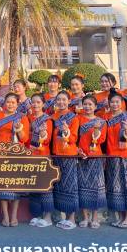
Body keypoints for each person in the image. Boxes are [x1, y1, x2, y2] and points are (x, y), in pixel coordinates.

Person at [0, 92, 30, 227]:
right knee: (3, 186)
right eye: (8, 102)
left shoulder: (22, 118)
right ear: (4, 103)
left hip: (16, 155)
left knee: (15, 186)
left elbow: (25, 139)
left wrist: (19, 129)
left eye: (13, 102)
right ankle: (5, 216)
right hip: (1, 154)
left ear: (17, 104)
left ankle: (14, 215)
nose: (10, 104)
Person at [105, 92, 127, 228]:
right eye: (112, 102)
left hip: (126, 155)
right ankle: (119, 216)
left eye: (117, 102)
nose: (114, 104)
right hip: (112, 156)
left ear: (122, 103)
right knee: (115, 186)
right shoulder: (105, 117)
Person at [77, 95, 107, 229]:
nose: (87, 107)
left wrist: (96, 130)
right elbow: (74, 138)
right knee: (82, 186)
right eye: (85, 104)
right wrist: (78, 150)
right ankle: (84, 217)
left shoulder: (101, 122)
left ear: (95, 107)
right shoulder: (77, 119)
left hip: (95, 157)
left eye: (90, 104)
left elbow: (101, 140)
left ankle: (95, 217)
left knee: (96, 188)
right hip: (81, 157)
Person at [51, 91, 80, 230]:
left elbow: (74, 138)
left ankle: (72, 218)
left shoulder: (73, 117)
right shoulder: (52, 117)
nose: (61, 102)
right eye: (59, 100)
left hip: (68, 154)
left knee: (70, 185)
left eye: (64, 100)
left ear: (69, 101)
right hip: (56, 154)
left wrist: (66, 132)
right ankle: (64, 217)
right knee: (60, 186)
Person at [28, 93, 54, 227]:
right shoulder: (29, 118)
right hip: (31, 156)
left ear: (43, 104)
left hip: (43, 156)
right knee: (34, 186)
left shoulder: (47, 120)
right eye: (33, 102)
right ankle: (37, 214)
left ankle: (48, 217)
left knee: (45, 187)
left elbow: (48, 139)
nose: (35, 105)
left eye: (38, 102)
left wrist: (43, 134)